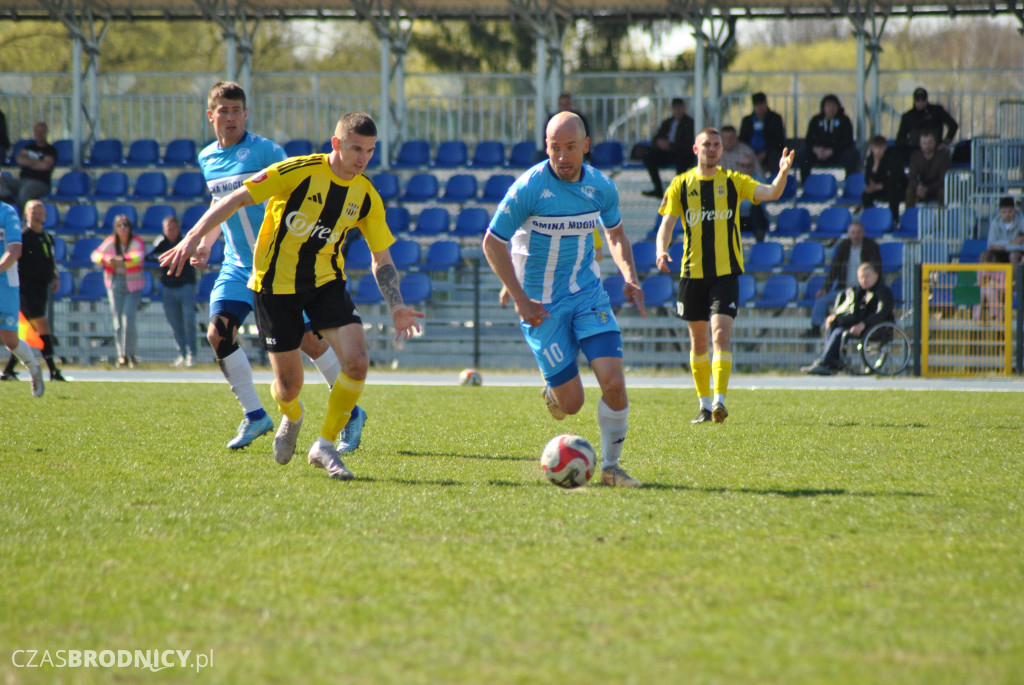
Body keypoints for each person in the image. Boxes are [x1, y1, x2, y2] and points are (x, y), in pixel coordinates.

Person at [161, 111, 424, 481]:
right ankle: (292, 415)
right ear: (336, 144)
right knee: (289, 387)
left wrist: (397, 306)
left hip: (325, 283)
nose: (363, 158)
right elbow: (236, 199)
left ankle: (325, 445)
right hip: (273, 287)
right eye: (356, 149)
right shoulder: (297, 171)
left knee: (358, 361)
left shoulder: (366, 196)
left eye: (370, 150)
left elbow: (382, 259)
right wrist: (191, 239)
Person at [483, 112, 647, 488]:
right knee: (571, 405)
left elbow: (616, 233)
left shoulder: (601, 188)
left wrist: (629, 276)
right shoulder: (529, 188)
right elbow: (492, 243)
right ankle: (555, 393)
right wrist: (521, 298)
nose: (562, 156)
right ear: (546, 147)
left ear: (585, 146)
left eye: (570, 147)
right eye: (554, 148)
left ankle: (610, 467)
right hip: (542, 307)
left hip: (588, 294)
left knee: (614, 382)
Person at [191, 81, 353, 451]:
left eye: (236, 110)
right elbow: (220, 205)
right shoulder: (206, 158)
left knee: (310, 342)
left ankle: (350, 412)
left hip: (276, 264)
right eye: (223, 110)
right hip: (235, 264)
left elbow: (295, 192)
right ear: (210, 115)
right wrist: (205, 243)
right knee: (218, 334)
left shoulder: (266, 151)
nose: (230, 117)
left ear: (245, 113)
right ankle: (255, 416)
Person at [655, 128, 794, 424]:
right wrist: (661, 250)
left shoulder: (733, 182)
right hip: (692, 274)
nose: (712, 149)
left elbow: (771, 193)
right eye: (707, 144)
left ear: (721, 150)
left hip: (726, 273)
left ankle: (719, 401)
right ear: (696, 149)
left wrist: (782, 173)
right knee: (699, 342)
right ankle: (704, 405)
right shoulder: (681, 184)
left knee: (721, 334)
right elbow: (666, 225)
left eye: (716, 145)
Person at [0, 200, 64, 382]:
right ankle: (52, 369)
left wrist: (55, 276)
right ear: (26, 215)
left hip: (41, 287)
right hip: (26, 288)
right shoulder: (23, 236)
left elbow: (50, 261)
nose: (37, 215)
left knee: (19, 333)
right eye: (33, 211)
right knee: (41, 324)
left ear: (45, 215)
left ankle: (9, 370)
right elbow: (14, 255)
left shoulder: (47, 238)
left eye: (40, 212)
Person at [801, 261, 893, 375]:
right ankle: (832, 362)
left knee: (839, 333)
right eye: (861, 277)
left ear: (876, 276)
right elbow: (856, 312)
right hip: (860, 325)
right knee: (833, 324)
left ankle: (825, 363)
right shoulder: (862, 292)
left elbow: (881, 313)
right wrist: (836, 317)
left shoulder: (883, 291)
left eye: (867, 276)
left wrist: (863, 324)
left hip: (875, 327)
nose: (864, 280)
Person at [805, 221, 881, 338]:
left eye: (858, 232)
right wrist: (825, 288)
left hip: (863, 292)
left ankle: (842, 336)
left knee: (849, 312)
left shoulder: (871, 247)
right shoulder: (843, 247)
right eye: (853, 233)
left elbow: (876, 270)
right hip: (844, 291)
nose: (856, 235)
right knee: (822, 301)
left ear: (863, 233)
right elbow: (834, 270)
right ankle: (815, 329)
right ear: (849, 234)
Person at [0, 201, 45, 396]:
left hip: (6, 281)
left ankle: (34, 370)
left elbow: (14, 251)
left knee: (10, 339)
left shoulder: (7, 212)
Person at [91, 214, 146, 368]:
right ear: (115, 228)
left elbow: (139, 256)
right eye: (119, 225)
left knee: (129, 320)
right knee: (118, 322)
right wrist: (106, 260)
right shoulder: (111, 242)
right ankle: (121, 355)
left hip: (133, 284)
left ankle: (131, 354)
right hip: (115, 282)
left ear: (130, 227)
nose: (122, 228)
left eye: (125, 225)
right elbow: (95, 255)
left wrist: (122, 260)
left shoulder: (136, 241)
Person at [146, 215, 197, 367]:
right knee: (175, 324)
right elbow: (149, 256)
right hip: (168, 288)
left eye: (174, 228)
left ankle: (192, 355)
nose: (171, 231)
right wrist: (164, 258)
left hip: (186, 287)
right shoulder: (161, 242)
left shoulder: (186, 240)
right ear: (164, 230)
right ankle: (182, 354)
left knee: (189, 322)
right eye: (168, 229)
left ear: (178, 228)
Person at [795, 94, 860, 183]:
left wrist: (832, 150)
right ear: (823, 107)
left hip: (837, 154)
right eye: (828, 106)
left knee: (852, 155)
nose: (831, 109)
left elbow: (848, 141)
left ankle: (850, 184)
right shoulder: (816, 120)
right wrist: (816, 149)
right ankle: (806, 183)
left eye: (834, 106)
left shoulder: (844, 120)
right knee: (803, 154)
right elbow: (808, 140)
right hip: (818, 154)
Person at [642, 97, 695, 198]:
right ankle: (658, 189)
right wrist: (659, 143)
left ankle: (678, 190)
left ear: (684, 109)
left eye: (680, 108)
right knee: (648, 158)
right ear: (672, 109)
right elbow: (657, 137)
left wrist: (671, 146)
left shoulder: (689, 123)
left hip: (682, 153)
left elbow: (688, 143)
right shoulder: (667, 122)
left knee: (682, 160)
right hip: (668, 153)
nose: (677, 111)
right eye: (675, 108)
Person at [0, 122, 57, 210]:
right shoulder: (29, 147)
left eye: (42, 131)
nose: (39, 134)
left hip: (40, 183)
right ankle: (9, 200)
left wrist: (28, 162)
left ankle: (21, 220)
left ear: (46, 133)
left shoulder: (50, 150)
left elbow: (45, 165)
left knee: (25, 190)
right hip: (22, 181)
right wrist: (39, 162)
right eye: (37, 131)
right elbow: (19, 160)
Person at [895, 87, 959, 164]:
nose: (920, 102)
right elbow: (900, 139)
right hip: (915, 151)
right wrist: (911, 143)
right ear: (914, 100)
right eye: (918, 100)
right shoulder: (908, 116)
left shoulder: (937, 111)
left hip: (936, 150)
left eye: (923, 99)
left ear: (926, 100)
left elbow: (953, 125)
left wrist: (945, 142)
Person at [861, 134, 907, 226]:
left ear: (885, 147)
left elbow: (895, 178)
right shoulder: (871, 159)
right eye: (875, 148)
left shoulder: (893, 157)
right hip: (878, 189)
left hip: (894, 188)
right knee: (866, 195)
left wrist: (880, 186)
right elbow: (868, 179)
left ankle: (894, 220)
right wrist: (875, 167)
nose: (878, 151)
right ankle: (872, 218)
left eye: (880, 148)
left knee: (893, 193)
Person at [739, 92, 787, 173]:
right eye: (757, 105)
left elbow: (778, 139)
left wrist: (765, 152)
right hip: (750, 152)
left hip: (769, 152)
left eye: (761, 105)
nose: (760, 108)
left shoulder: (775, 119)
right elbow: (743, 139)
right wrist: (751, 153)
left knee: (774, 157)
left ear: (766, 104)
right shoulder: (747, 120)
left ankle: (775, 181)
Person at [905, 130, 950, 208]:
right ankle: (909, 216)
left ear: (934, 143)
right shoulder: (915, 157)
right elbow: (912, 176)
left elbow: (943, 179)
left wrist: (928, 188)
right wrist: (918, 187)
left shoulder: (943, 157)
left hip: (936, 188)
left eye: (930, 143)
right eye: (924, 143)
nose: (927, 146)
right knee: (910, 190)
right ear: (920, 144)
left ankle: (943, 217)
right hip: (920, 188)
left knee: (943, 191)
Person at [735, 153, 770, 243]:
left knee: (756, 208)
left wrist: (741, 201)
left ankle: (760, 243)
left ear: (753, 166)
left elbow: (760, 201)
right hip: (738, 220)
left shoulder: (760, 180)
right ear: (738, 166)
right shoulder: (732, 180)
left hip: (756, 220)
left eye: (749, 166)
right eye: (743, 166)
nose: (745, 169)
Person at [981, 196, 1024, 265]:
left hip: (1017, 252)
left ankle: (1014, 276)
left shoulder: (1022, 221)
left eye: (1010, 211)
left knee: (1014, 256)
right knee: (985, 256)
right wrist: (1010, 243)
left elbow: (1022, 245)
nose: (1007, 214)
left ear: (1015, 210)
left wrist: (1002, 246)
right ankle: (985, 276)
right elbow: (991, 245)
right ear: (1000, 212)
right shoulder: (994, 223)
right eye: (1004, 212)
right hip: (999, 252)